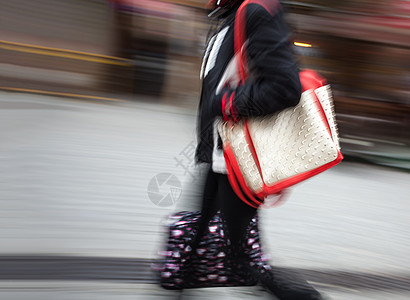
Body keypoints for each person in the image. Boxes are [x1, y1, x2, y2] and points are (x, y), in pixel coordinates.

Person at [192, 0, 325, 299]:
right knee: (200, 236)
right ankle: (180, 279)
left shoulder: (254, 12)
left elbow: (284, 88)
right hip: (218, 156)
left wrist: (224, 104)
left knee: (243, 259)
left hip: (239, 160)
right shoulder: (225, 18)